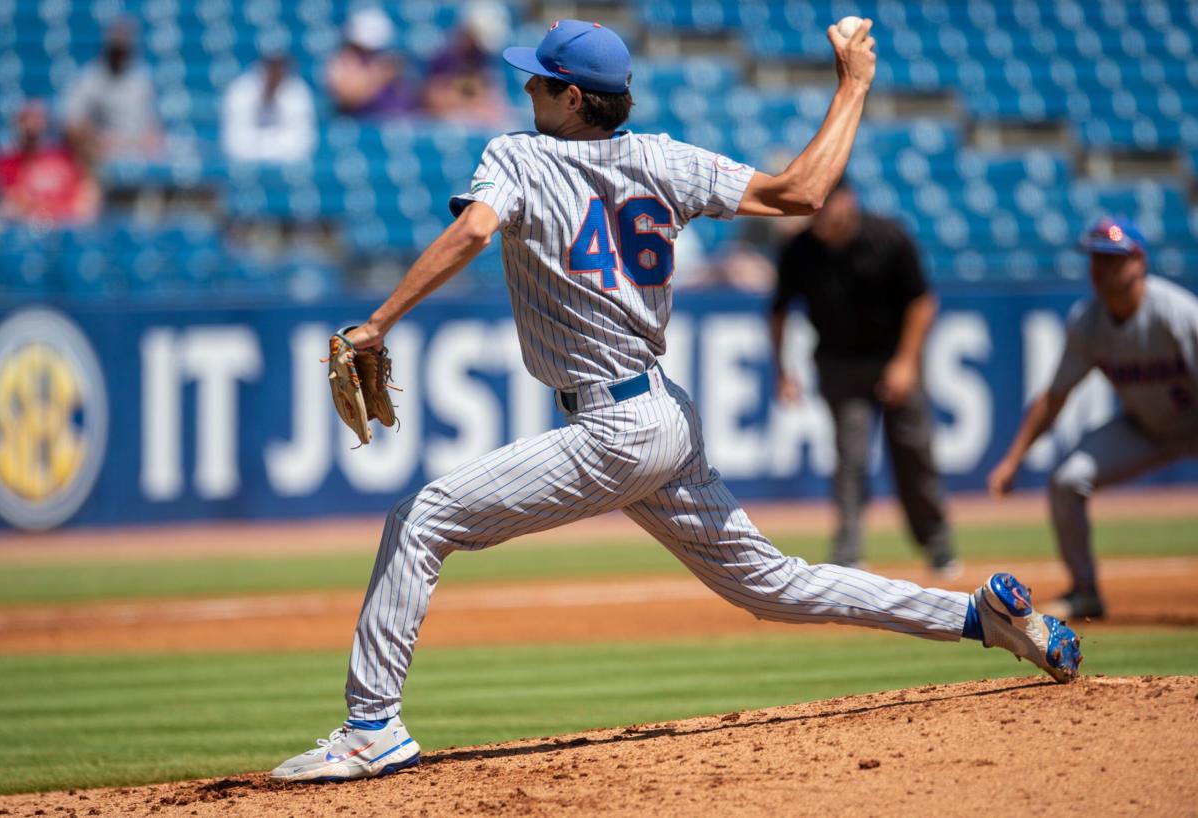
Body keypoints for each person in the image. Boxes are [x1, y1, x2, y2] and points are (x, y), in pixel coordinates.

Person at [270, 19, 1081, 783]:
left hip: (612, 427)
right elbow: (801, 193)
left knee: (422, 519)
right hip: (661, 412)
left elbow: (476, 231)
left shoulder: (516, 156)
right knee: (769, 584)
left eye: (539, 84)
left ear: (574, 99)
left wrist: (378, 322)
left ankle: (372, 728)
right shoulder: (664, 160)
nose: (526, 95)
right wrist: (852, 86)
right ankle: (978, 618)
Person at [988, 217, 1198, 620]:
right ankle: (1085, 591)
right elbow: (1054, 396)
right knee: (1067, 480)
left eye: (1112, 259)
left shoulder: (1177, 313)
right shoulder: (1088, 322)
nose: (1101, 268)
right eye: (1096, 258)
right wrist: (1012, 460)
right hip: (1147, 430)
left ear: (1139, 262)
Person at [769, 179, 958, 575]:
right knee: (850, 457)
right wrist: (783, 370)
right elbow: (779, 312)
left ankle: (938, 544)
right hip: (839, 364)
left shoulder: (888, 237)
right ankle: (848, 550)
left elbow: (922, 302)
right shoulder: (799, 250)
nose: (818, 216)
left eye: (825, 206)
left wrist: (906, 363)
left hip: (893, 358)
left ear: (847, 201)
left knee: (914, 453)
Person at [62, 18, 162, 161]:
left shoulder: (141, 78)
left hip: (139, 153)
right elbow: (71, 123)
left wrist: (150, 140)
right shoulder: (90, 78)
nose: (120, 55)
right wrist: (97, 139)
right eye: (116, 50)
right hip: (104, 154)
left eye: (123, 49)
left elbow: (153, 125)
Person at [0, 101, 100, 225]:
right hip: (30, 226)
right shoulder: (8, 162)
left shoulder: (63, 158)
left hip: (66, 224)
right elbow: (17, 201)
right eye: (25, 121)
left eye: (36, 120)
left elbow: (84, 198)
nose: (31, 127)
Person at [422, 0, 511, 126]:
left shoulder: (484, 58)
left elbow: (495, 103)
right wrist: (470, 102)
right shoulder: (445, 58)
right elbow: (434, 100)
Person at [221, 51, 316, 164]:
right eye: (270, 67)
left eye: (278, 67)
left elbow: (303, 143)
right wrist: (275, 141)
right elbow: (235, 144)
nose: (274, 72)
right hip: (248, 164)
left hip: (286, 164)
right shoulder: (240, 90)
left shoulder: (297, 90)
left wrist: (260, 143)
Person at [326, 7, 420, 119]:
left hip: (394, 118)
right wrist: (379, 76)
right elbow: (347, 99)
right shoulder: (343, 61)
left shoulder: (388, 58)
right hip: (360, 121)